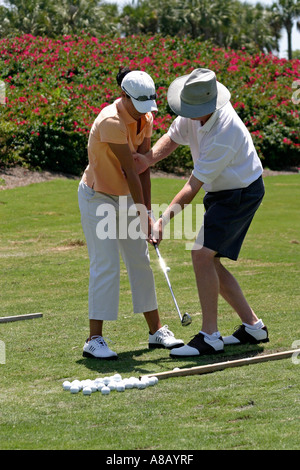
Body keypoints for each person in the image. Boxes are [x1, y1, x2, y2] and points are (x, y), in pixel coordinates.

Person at [134, 68, 269, 358]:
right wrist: (148, 159)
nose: (189, 114)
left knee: (201, 254)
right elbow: (172, 138)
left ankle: (210, 335)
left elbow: (191, 187)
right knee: (210, 261)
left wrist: (161, 222)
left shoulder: (224, 132)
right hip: (221, 192)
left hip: (241, 193)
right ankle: (254, 327)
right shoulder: (195, 109)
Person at [78, 67, 184, 360]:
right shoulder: (111, 121)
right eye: (136, 106)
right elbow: (129, 170)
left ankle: (156, 331)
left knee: (140, 260)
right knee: (106, 263)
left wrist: (147, 214)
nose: (141, 113)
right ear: (123, 96)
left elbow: (142, 167)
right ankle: (94, 339)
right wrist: (145, 216)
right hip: (98, 196)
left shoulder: (145, 117)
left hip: (125, 195)